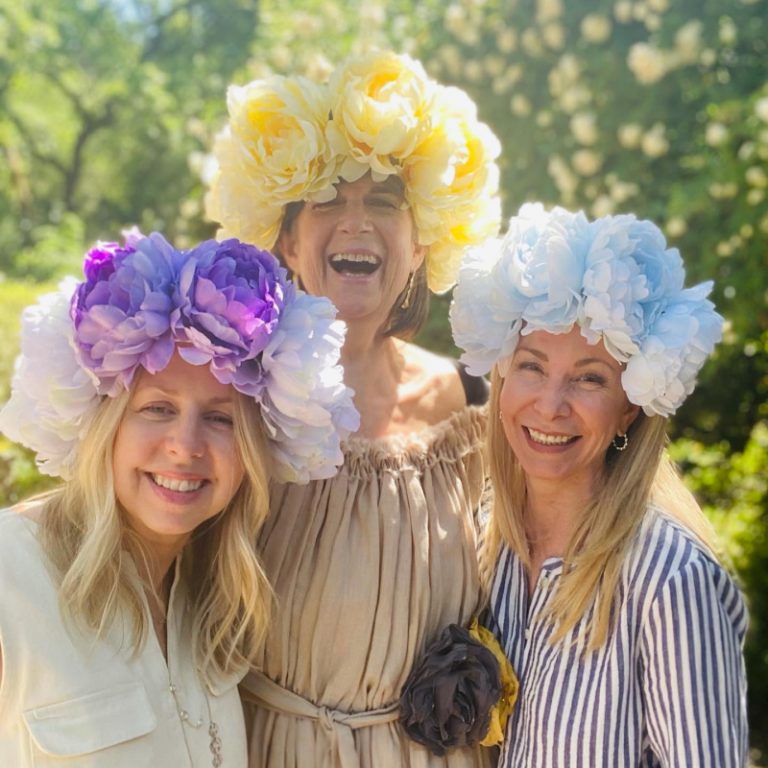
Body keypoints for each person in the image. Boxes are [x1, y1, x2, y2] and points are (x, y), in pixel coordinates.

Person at [204, 50, 502, 766]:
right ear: (286, 240)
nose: (356, 222)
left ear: (423, 237)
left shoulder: (476, 403)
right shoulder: (230, 393)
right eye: (328, 199)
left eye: (385, 200)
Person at [0, 231, 357, 767]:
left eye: (219, 419)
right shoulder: (12, 576)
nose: (185, 446)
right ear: (106, 425)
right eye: (157, 409)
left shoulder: (209, 608)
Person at [450, 203, 749, 767]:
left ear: (630, 411)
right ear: (502, 376)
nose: (550, 405)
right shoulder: (483, 544)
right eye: (532, 366)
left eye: (590, 378)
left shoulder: (671, 579)